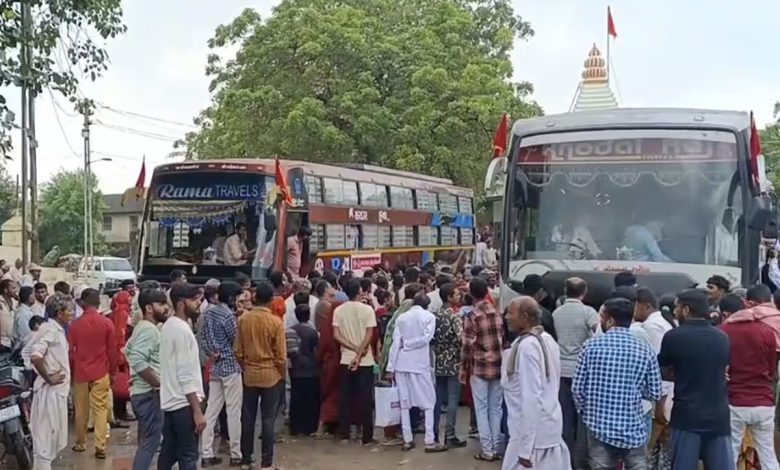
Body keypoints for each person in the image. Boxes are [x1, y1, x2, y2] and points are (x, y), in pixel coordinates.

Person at [572, 297, 662, 469]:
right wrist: (634, 388)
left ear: (610, 320)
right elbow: (655, 392)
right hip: (633, 426)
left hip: (597, 424)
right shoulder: (645, 349)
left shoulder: (590, 346)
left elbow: (577, 389)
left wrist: (587, 412)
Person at [658, 288, 733, 469]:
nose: (674, 312)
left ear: (686, 310)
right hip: (719, 417)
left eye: (677, 308)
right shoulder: (722, 337)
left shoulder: (674, 337)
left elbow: (662, 370)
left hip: (687, 417)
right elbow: (723, 369)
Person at [502, 296, 571, 470]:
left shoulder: (528, 346)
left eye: (511, 313)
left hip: (531, 437)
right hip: (546, 429)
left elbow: (531, 397)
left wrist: (525, 449)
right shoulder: (547, 340)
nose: (506, 317)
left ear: (524, 317)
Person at [720, 285, 779, 469]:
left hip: (735, 401)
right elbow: (772, 370)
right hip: (763, 402)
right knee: (768, 455)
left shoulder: (725, 331)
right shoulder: (767, 332)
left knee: (730, 453)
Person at [386, 292, 447, 452]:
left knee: (404, 403)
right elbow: (426, 338)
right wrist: (409, 344)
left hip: (401, 364)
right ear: (427, 304)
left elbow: (394, 344)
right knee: (428, 402)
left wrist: (390, 367)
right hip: (420, 365)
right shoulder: (429, 317)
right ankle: (429, 440)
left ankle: (407, 440)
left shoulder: (402, 317)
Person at [235, 281, 286, 469]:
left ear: (255, 298)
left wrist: (245, 367)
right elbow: (281, 357)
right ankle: (266, 462)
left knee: (247, 419)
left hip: (249, 374)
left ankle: (246, 459)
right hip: (270, 375)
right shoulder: (276, 322)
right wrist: (282, 375)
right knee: (268, 419)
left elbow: (238, 352)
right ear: (272, 300)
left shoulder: (243, 320)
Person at [158, 283, 206, 470]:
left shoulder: (169, 326)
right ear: (180, 304)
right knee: (188, 456)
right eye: (193, 300)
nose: (198, 303)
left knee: (169, 453)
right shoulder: (182, 330)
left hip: (171, 402)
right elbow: (185, 374)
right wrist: (197, 410)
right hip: (183, 404)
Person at [551, 277, 599, 464]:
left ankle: (564, 461)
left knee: (564, 417)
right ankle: (579, 462)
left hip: (561, 370)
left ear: (565, 290)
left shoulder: (556, 313)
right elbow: (598, 334)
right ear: (584, 292)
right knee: (582, 420)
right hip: (582, 372)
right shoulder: (589, 312)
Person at [68, 288, 118, 459]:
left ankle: (81, 443)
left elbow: (70, 351)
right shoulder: (106, 323)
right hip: (101, 372)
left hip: (81, 372)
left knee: (81, 410)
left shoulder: (75, 325)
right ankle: (100, 446)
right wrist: (113, 373)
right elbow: (112, 351)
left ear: (83, 303)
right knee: (101, 409)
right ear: (98, 303)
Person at [200, 281, 244, 467]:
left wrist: (212, 353)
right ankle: (236, 454)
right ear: (232, 297)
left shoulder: (207, 312)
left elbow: (202, 337)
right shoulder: (227, 315)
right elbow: (236, 340)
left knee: (211, 412)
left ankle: (206, 454)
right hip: (231, 367)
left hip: (215, 366)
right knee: (233, 411)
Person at [460, 277, 504, 462]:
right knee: (496, 408)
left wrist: (463, 368)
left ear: (471, 294)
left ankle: (487, 450)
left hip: (479, 367)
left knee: (481, 408)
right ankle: (495, 446)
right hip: (498, 365)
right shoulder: (497, 312)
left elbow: (467, 345)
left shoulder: (472, 316)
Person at [125, 289, 168, 470]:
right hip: (148, 394)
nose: (166, 308)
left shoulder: (142, 328)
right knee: (150, 442)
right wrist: (157, 383)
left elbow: (127, 350)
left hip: (143, 392)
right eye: (161, 304)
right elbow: (136, 357)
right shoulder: (149, 330)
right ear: (149, 308)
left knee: (147, 440)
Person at [28, 294, 72, 470]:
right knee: (45, 443)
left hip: (57, 393)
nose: (72, 314)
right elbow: (34, 356)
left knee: (52, 440)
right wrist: (48, 377)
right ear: (60, 313)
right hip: (49, 393)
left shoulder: (56, 330)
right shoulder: (50, 330)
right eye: (69, 310)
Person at [333, 278, 377, 445]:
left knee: (345, 397)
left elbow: (337, 335)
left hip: (345, 359)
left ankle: (345, 433)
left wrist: (352, 349)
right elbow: (369, 334)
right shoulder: (367, 310)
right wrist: (359, 353)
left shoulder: (339, 310)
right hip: (365, 361)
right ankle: (367, 437)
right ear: (359, 292)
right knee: (365, 399)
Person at [432, 283, 466, 448]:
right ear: (449, 297)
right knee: (452, 400)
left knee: (437, 399)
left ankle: (434, 433)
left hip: (438, 362)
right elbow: (462, 339)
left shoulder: (435, 315)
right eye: (457, 295)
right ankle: (450, 434)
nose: (459, 297)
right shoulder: (454, 317)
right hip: (453, 362)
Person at [289, 304, 320, 436]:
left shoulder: (291, 330)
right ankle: (309, 427)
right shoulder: (312, 332)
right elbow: (316, 350)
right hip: (310, 368)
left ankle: (295, 427)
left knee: (296, 398)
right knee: (310, 399)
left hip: (296, 368)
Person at [0, 278, 17, 352]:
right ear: (5, 290)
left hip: (12, 341)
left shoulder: (14, 302)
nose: (15, 290)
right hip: (2, 342)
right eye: (13, 288)